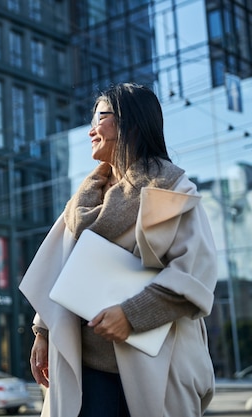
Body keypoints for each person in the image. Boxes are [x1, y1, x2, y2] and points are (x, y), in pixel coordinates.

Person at [19, 83, 217, 417]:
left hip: (155, 366)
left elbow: (195, 274)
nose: (90, 131)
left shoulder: (173, 190)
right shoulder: (82, 200)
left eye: (100, 118)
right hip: (85, 368)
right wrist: (43, 332)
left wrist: (131, 314)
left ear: (131, 122)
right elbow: (59, 270)